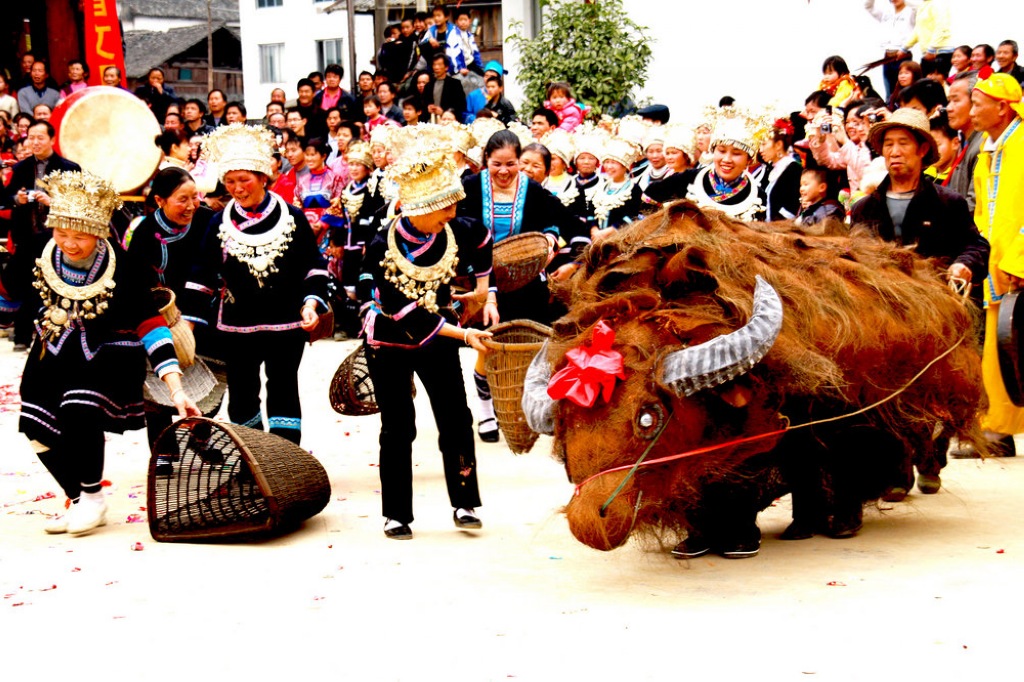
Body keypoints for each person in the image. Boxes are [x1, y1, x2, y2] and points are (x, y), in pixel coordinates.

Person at [0, 169, 200, 535]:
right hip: (52, 347)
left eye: (80, 237)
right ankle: (78, 499)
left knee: (79, 409)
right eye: (62, 234)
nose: (70, 244)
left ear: (100, 232)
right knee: (35, 427)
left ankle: (93, 496)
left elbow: (150, 326)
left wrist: (176, 389)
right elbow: (7, 296)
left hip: (109, 350)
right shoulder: (35, 250)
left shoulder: (125, 266)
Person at [358, 124, 494, 540]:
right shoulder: (384, 246)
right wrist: (467, 336)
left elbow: (485, 238)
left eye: (454, 207)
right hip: (392, 342)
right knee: (399, 426)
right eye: (444, 209)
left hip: (442, 341)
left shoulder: (456, 230)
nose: (451, 216)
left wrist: (483, 290)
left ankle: (465, 501)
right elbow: (408, 315)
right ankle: (396, 513)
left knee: (455, 417)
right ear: (418, 206)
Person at [850, 107, 990, 495]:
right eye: (888, 145)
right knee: (891, 393)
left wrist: (963, 265)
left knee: (935, 390)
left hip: (937, 311)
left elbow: (976, 244)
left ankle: (930, 458)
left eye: (903, 144)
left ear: (922, 150)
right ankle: (897, 471)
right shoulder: (864, 209)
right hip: (884, 314)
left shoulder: (947, 202)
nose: (894, 152)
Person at [180, 124, 329, 445]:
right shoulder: (219, 222)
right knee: (243, 393)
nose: (237, 188)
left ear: (264, 177)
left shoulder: (292, 217)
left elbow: (313, 266)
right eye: (230, 181)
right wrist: (187, 327)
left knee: (283, 387)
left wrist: (311, 303)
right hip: (236, 326)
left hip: (287, 322)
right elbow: (203, 272)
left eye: (244, 180)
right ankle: (255, 461)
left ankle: (285, 458)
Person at [458, 129, 584, 440]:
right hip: (481, 276)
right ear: (486, 160)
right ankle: (486, 408)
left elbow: (558, 222)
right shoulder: (470, 187)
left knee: (533, 343)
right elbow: (457, 227)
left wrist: (551, 241)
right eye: (496, 164)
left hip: (525, 278)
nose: (504, 171)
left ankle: (524, 406)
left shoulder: (532, 189)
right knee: (488, 344)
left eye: (511, 164)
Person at [970, 73, 1024, 454]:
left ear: (1002, 107)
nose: (971, 111)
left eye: (977, 103)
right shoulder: (987, 153)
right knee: (999, 349)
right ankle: (997, 429)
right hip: (997, 269)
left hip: (1017, 265)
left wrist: (1019, 259)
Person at [6, 120, 82, 350]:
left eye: (40, 137)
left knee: (56, 286)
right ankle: (21, 337)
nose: (35, 142)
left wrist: (53, 202)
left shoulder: (70, 168)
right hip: (28, 235)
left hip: (58, 237)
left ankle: (54, 337)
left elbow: (77, 204)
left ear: (51, 139)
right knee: (27, 285)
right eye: (31, 137)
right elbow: (6, 198)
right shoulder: (20, 169)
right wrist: (16, 200)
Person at [645, 110, 767, 221]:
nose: (727, 159)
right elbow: (649, 198)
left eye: (736, 153)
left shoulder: (757, 196)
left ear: (749, 160)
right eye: (722, 151)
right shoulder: (688, 179)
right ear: (713, 151)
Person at [295, 137, 346, 252]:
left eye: (313, 155)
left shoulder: (334, 178)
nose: (309, 158)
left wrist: (321, 223)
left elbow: (338, 203)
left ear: (323, 156)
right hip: (306, 228)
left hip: (328, 229)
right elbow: (297, 203)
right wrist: (304, 224)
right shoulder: (302, 180)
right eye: (307, 155)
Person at [944, 70, 984, 212]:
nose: (948, 108)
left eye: (955, 100)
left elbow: (974, 207)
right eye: (949, 101)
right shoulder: (966, 142)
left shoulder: (983, 146)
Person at [864, 0, 917, 98]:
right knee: (889, 94)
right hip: (887, 57)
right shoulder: (886, 12)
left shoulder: (911, 12)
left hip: (902, 56)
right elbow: (868, 6)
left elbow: (918, 7)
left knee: (903, 92)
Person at [759, 117, 802, 221]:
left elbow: (791, 208)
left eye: (764, 144)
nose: (760, 149)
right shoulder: (770, 169)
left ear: (778, 145)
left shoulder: (794, 170)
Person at [903, 0, 953, 78]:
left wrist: (932, 49)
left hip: (940, 52)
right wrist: (905, 48)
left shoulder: (938, 3)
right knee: (923, 85)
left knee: (937, 85)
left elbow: (942, 28)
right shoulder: (923, 5)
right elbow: (918, 29)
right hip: (928, 53)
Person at [426, 54, 466, 122]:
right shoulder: (429, 85)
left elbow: (461, 105)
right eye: (434, 65)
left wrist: (444, 112)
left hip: (449, 121)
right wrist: (428, 107)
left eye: (439, 65)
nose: (436, 67)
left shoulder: (455, 84)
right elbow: (424, 102)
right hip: (431, 121)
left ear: (446, 67)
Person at [925, 111, 959, 182]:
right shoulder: (924, 174)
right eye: (929, 146)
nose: (932, 151)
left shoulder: (959, 176)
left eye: (937, 145)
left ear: (955, 143)